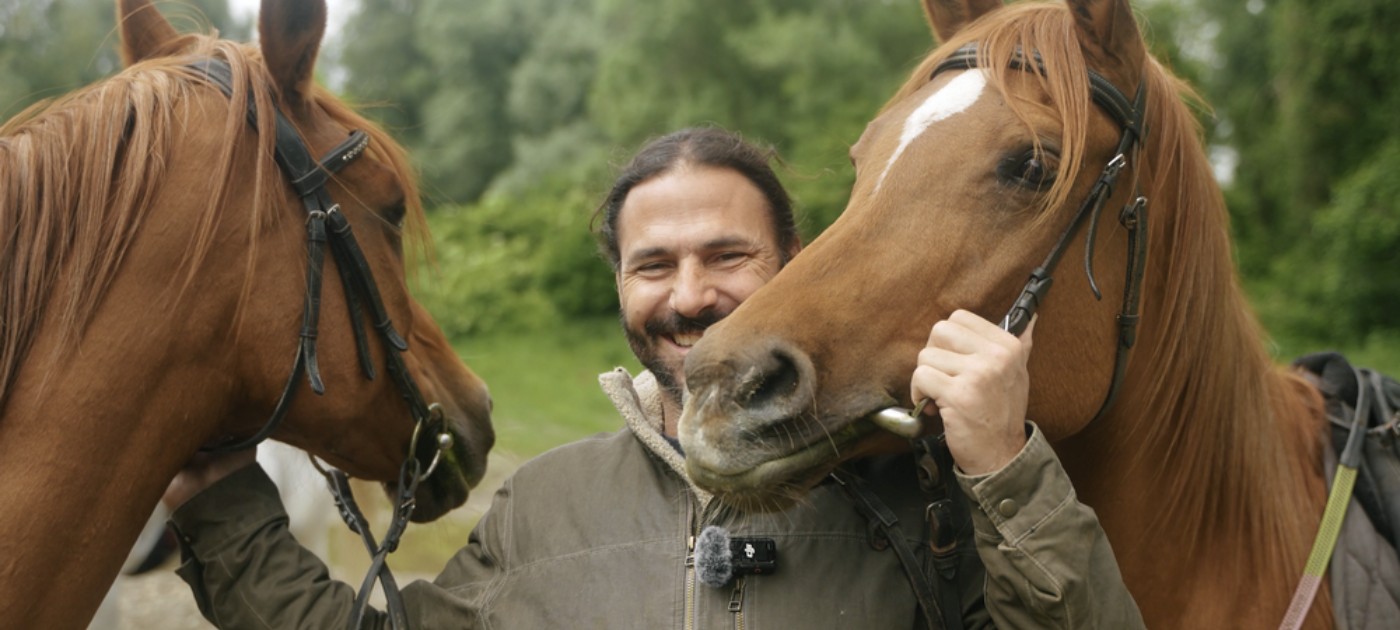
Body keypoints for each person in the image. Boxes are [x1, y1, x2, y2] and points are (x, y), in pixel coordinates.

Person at [163, 126, 1142, 628]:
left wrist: (1003, 466)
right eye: (652, 265)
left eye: (727, 256)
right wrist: (217, 503)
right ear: (619, 284)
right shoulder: (545, 503)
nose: (689, 296)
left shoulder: (923, 493)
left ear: (794, 263)